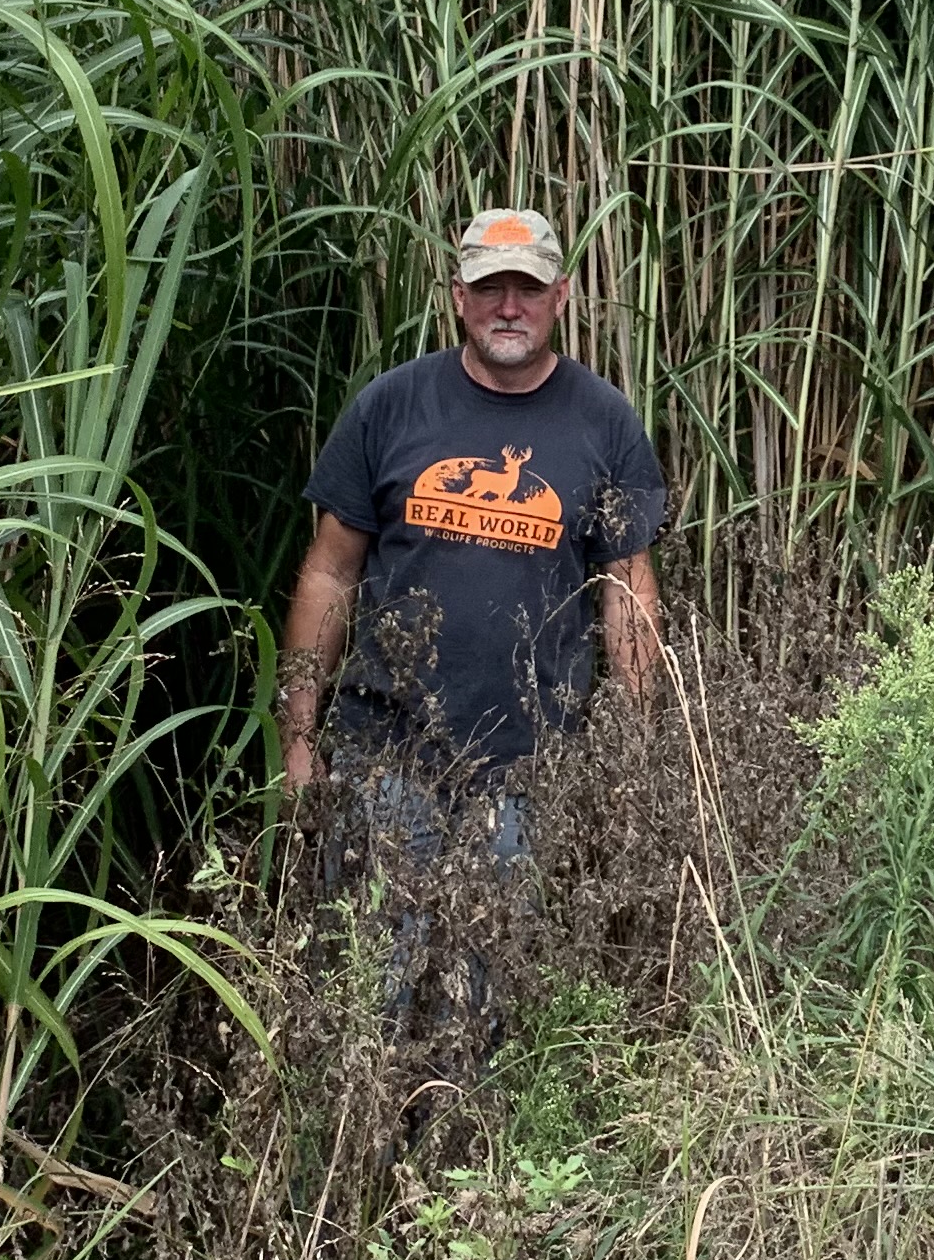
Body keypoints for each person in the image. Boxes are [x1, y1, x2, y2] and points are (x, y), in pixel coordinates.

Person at [273, 207, 667, 1030]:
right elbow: (328, 573)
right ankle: (366, 1152)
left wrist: (631, 753)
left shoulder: (603, 421)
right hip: (388, 754)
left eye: (528, 287)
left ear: (562, 296)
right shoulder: (391, 407)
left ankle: (476, 1148)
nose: (510, 306)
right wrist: (302, 743)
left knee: (489, 994)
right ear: (458, 296)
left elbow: (628, 591)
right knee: (373, 986)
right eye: (491, 288)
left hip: (528, 765)